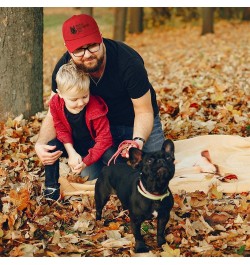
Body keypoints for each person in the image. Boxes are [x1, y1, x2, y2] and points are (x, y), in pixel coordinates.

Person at [35, 14, 165, 175]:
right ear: (68, 48)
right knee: (89, 176)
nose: (87, 54)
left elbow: (144, 111)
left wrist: (137, 141)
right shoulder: (64, 68)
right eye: (79, 50)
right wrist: (41, 143)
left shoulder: (128, 63)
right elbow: (55, 112)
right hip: (97, 130)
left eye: (92, 45)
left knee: (156, 169)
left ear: (101, 38)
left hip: (136, 122)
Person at [44, 61, 113, 200]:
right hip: (74, 144)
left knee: (111, 155)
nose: (80, 103)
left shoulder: (95, 108)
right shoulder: (55, 103)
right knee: (51, 147)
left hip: (94, 146)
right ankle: (51, 188)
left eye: (84, 96)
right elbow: (60, 128)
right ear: (60, 94)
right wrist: (71, 152)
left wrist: (86, 161)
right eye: (74, 99)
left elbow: (104, 140)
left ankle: (118, 182)